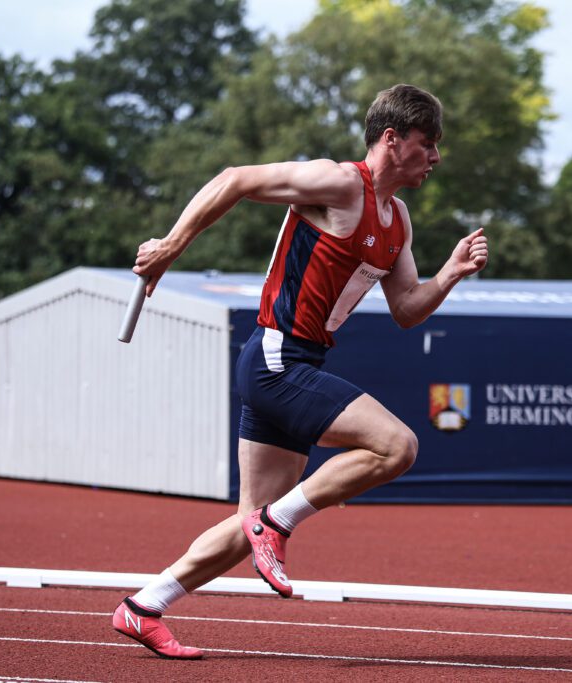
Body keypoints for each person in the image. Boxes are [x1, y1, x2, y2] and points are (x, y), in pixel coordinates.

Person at [113, 84, 488, 659]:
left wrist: (452, 273)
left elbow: (407, 309)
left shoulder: (399, 220)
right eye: (428, 144)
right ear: (392, 139)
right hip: (274, 357)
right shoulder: (339, 183)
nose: (436, 157)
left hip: (299, 361)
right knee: (397, 447)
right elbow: (236, 179)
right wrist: (171, 245)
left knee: (247, 525)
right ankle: (278, 523)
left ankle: (144, 606)